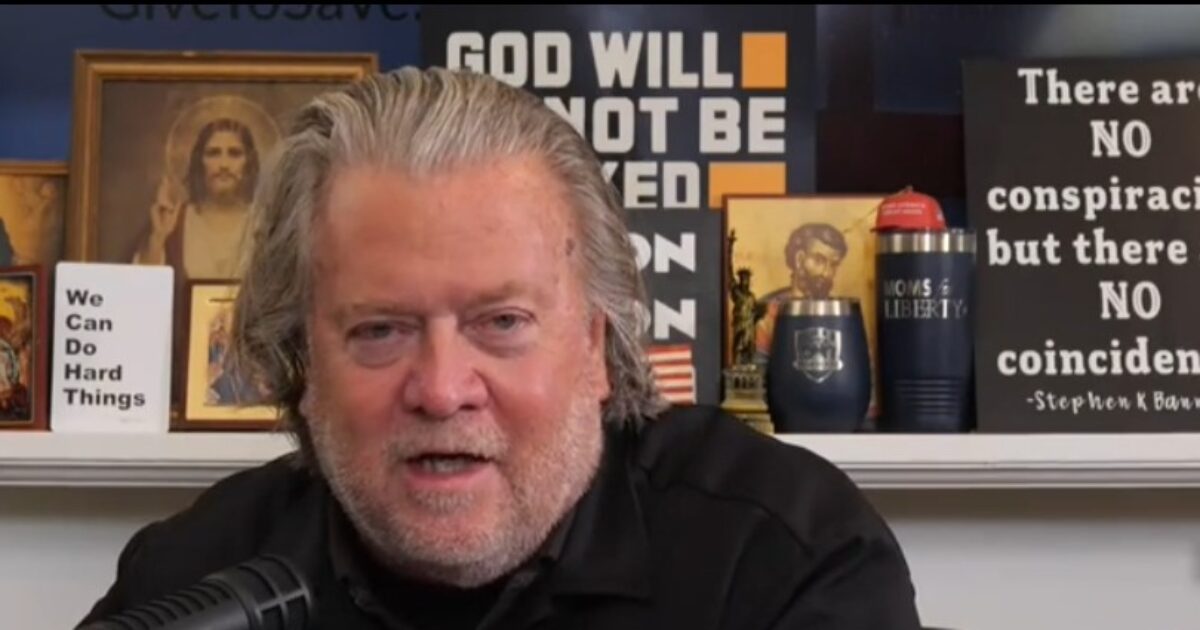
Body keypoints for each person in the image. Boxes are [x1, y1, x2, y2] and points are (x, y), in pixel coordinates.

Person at [78, 67, 921, 629]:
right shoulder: (195, 581)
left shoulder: (783, 558)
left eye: (502, 323)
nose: (443, 390)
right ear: (302, 368)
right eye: (380, 331)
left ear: (597, 347)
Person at [131, 116, 260, 281]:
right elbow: (140, 289)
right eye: (213, 153)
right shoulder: (174, 221)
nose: (224, 164)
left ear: (249, 162)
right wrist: (158, 239)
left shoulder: (265, 222)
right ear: (199, 161)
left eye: (234, 153)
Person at [755, 223, 850, 361]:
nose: (827, 273)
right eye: (819, 260)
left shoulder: (839, 313)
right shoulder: (766, 314)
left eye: (834, 265)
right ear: (799, 259)